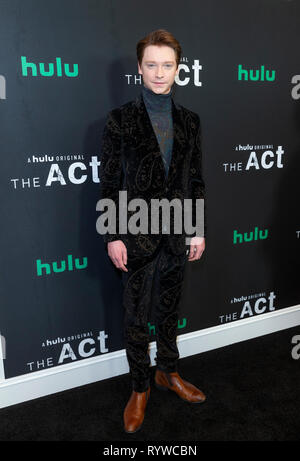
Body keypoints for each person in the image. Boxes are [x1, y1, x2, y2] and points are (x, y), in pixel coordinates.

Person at [99, 29, 207, 434]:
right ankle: (140, 387)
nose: (159, 73)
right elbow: (109, 182)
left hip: (178, 231)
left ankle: (169, 372)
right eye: (151, 65)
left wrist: (196, 230)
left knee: (169, 308)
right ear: (139, 68)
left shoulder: (191, 122)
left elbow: (195, 179)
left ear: (178, 69)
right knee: (135, 314)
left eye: (167, 65)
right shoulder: (119, 120)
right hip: (135, 233)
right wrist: (112, 235)